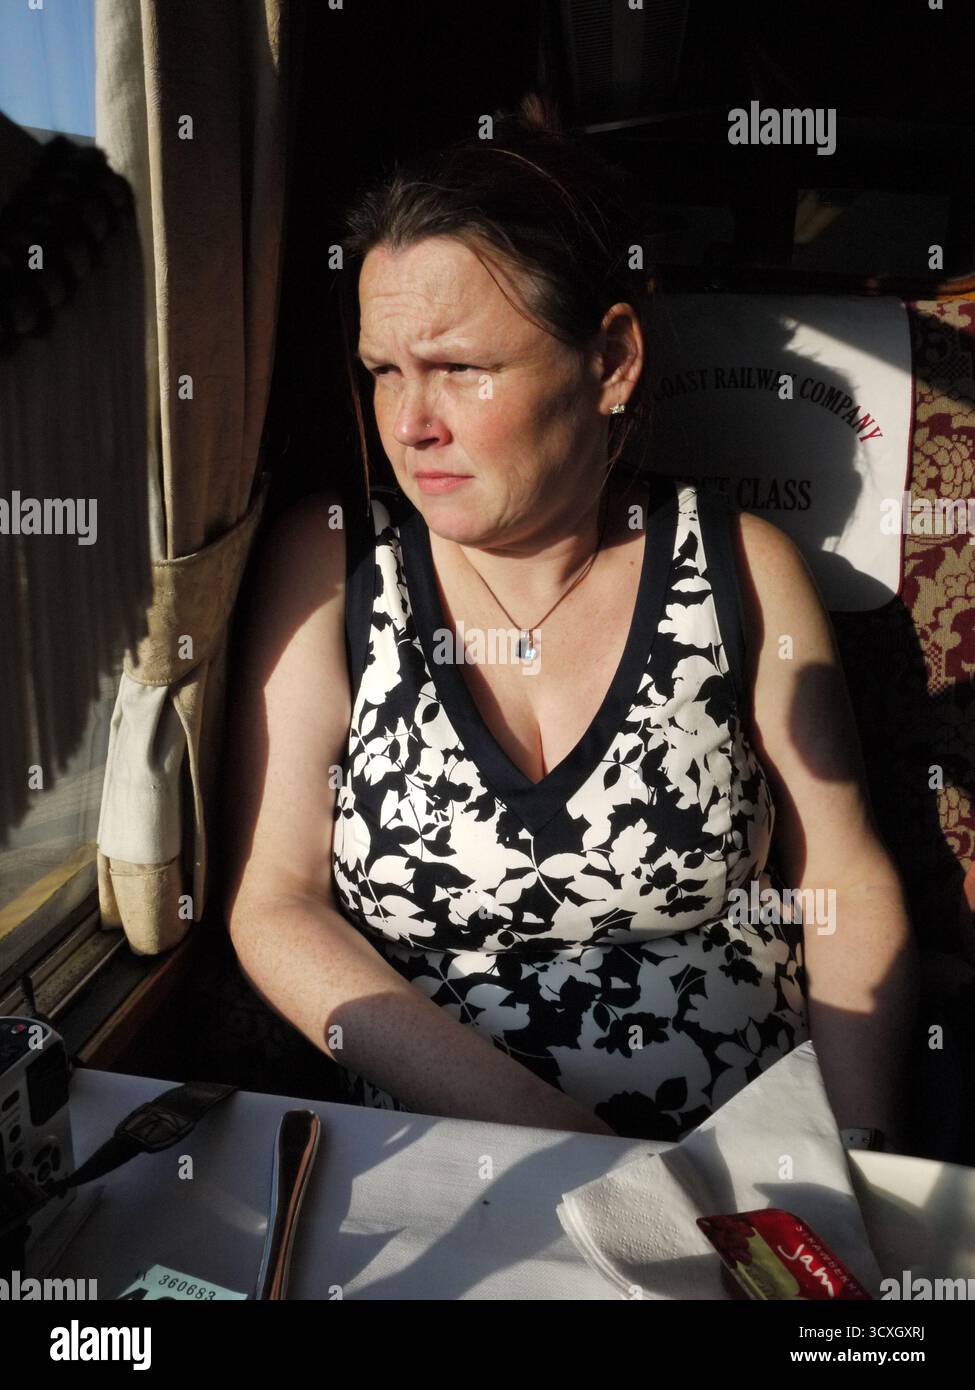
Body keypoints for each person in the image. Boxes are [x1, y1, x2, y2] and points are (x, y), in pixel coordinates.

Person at [222, 94, 918, 1145]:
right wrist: (569, 1146)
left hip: (745, 1161)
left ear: (611, 361)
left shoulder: (737, 564)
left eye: (462, 367)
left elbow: (843, 877)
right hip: (444, 1178)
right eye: (383, 372)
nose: (411, 423)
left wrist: (858, 1166)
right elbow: (274, 905)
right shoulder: (333, 566)